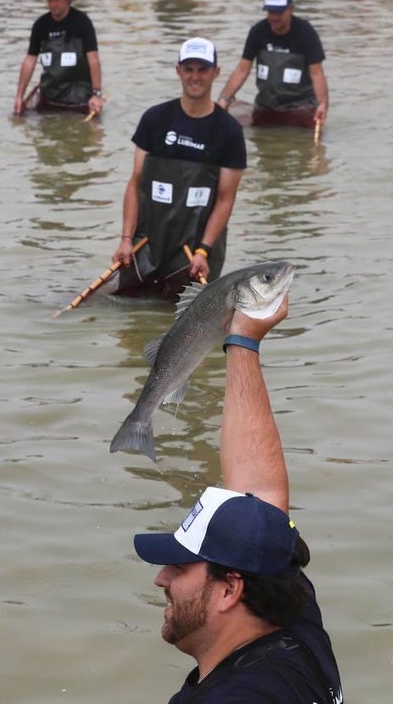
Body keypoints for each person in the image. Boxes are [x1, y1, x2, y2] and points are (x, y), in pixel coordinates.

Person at [132, 294, 344, 703]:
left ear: (230, 589)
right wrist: (244, 341)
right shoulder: (292, 626)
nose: (161, 578)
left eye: (179, 567)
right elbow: (260, 493)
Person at [111, 38, 246, 301]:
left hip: (196, 253)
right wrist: (126, 239)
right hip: (146, 245)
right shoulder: (154, 119)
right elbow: (135, 184)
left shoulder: (229, 130)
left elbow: (225, 199)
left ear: (216, 73)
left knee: (190, 326)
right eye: (189, 69)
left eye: (203, 69)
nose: (195, 77)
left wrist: (204, 250)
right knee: (129, 318)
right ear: (178, 71)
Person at [215, 0, 329, 129]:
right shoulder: (258, 31)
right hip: (266, 107)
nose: (274, 17)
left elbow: (317, 73)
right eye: (270, 12)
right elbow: (242, 70)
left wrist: (322, 104)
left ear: (291, 9)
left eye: (278, 12)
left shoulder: (306, 33)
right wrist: (224, 99)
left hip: (300, 108)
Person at [12, 0, 105, 115]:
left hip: (79, 99)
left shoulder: (82, 22)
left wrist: (96, 94)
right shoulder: (40, 25)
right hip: (50, 97)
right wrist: (19, 96)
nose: (53, 4)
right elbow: (30, 61)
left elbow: (94, 60)